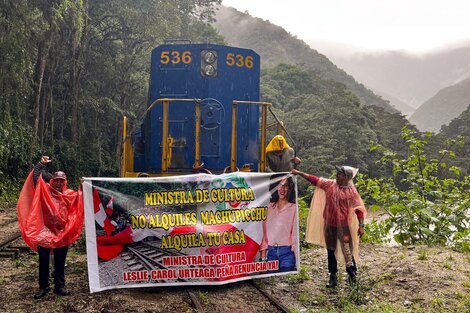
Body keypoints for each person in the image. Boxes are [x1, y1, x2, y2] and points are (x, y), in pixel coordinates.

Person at [17, 156, 83, 299]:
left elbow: (80, 199)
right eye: (56, 180)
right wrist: (40, 164)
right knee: (43, 261)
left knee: (60, 261)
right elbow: (36, 179)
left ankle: (59, 286)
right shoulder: (45, 190)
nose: (58, 183)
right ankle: (43, 287)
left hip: (62, 233)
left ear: (64, 182)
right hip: (44, 231)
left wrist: (83, 186)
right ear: (52, 181)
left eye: (61, 181)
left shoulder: (69, 195)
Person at [292, 166, 366, 287]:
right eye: (337, 173)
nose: (336, 175)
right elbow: (314, 180)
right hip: (330, 225)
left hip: (343, 226)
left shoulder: (351, 191)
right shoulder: (330, 185)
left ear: (346, 177)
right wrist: (299, 173)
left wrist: (361, 225)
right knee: (330, 250)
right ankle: (333, 276)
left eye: (339, 173)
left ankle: (352, 275)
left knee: (347, 250)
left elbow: (359, 209)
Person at [259, 174, 298, 272]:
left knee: (285, 283)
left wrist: (297, 259)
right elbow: (264, 235)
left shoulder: (293, 208)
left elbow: (294, 236)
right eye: (280, 185)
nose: (282, 189)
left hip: (287, 253)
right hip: (271, 253)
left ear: (289, 188)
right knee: (270, 285)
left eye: (285, 185)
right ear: (275, 187)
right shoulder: (269, 207)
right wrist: (263, 258)